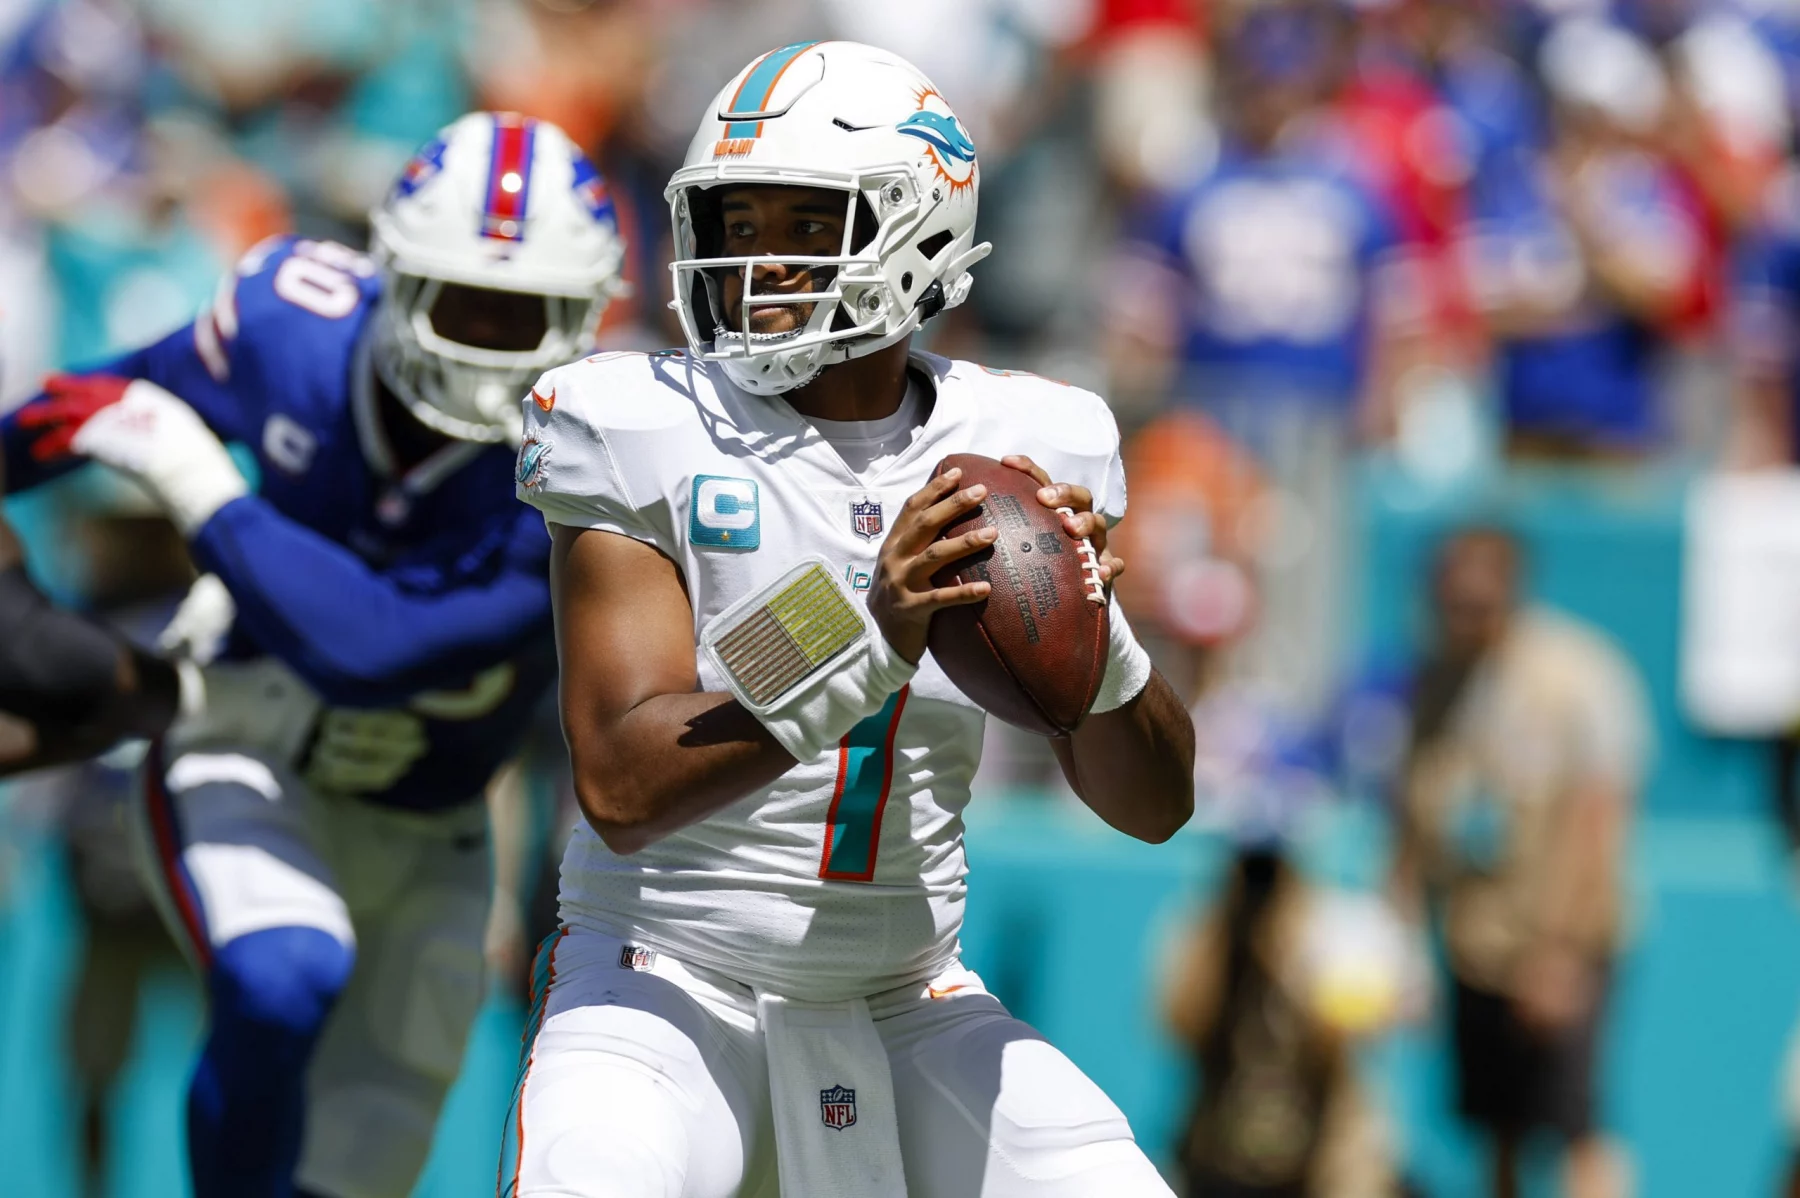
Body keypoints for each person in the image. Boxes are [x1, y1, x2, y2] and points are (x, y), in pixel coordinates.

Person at [503, 40, 1197, 1198]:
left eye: (804, 221)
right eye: (735, 218)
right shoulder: (638, 417)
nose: (754, 256)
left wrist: (1096, 632)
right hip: (663, 975)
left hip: (907, 991)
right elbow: (621, 779)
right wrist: (859, 632)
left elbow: (1157, 806)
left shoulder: (1033, 439)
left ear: (920, 229)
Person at [0, 111, 625, 1198]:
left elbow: (373, 649)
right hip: (247, 742)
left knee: (356, 1171)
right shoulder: (294, 331)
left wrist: (203, 490)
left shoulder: (599, 457)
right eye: (463, 302)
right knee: (284, 971)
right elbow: (92, 403)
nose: (487, 347)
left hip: (431, 828)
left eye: (525, 315)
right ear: (393, 275)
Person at [1391, 528, 1647, 1198]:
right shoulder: (1434, 683)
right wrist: (1404, 944)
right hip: (1478, 945)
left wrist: (1561, 952)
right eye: (1454, 600)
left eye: (1482, 599)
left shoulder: (1577, 677)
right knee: (1496, 1128)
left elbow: (1600, 824)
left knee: (1576, 1124)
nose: (1466, 615)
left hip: (1564, 944)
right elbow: (1412, 824)